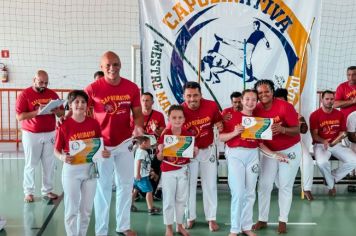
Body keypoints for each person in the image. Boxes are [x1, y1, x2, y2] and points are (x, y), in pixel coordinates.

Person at [84, 51, 144, 236]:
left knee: (126, 184)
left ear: (120, 65)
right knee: (102, 188)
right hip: (102, 146)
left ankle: (123, 225)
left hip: (125, 143)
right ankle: (101, 230)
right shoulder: (92, 89)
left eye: (116, 64)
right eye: (108, 65)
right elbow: (83, 115)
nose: (112, 68)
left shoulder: (132, 88)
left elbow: (138, 114)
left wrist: (139, 128)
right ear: (102, 67)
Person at [220, 89, 288, 236]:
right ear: (242, 101)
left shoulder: (259, 121)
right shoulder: (232, 116)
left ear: (256, 101)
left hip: (252, 155)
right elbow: (222, 138)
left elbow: (261, 145)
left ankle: (246, 227)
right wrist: (235, 132)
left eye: (253, 99)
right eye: (247, 99)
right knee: (238, 192)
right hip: (235, 154)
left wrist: (275, 155)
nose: (250, 102)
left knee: (250, 193)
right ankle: (234, 229)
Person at [54, 90, 110, 236]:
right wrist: (62, 158)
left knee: (86, 210)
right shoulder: (64, 125)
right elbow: (56, 150)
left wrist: (104, 152)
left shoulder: (94, 123)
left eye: (83, 102)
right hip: (71, 171)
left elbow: (99, 146)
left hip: (90, 170)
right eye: (76, 102)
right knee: (71, 209)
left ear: (87, 105)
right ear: (70, 105)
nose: (80, 104)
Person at [252, 80, 301, 234]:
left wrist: (282, 129)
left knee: (285, 185)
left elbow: (297, 130)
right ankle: (262, 218)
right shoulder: (256, 109)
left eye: (266, 91)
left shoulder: (285, 106)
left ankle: (283, 220)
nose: (263, 95)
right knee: (264, 185)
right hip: (269, 152)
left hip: (290, 149)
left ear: (272, 92)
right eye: (260, 93)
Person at [16, 70, 64, 203]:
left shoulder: (52, 94)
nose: (43, 85)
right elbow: (20, 116)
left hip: (49, 132)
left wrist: (57, 110)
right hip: (31, 134)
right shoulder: (24, 94)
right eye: (41, 82)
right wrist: (37, 112)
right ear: (34, 80)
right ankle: (29, 192)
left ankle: (47, 190)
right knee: (31, 163)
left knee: (49, 163)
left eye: (46, 83)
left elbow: (61, 114)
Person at [182, 81, 223, 231]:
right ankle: (190, 217)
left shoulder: (211, 106)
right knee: (188, 186)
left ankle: (211, 218)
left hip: (208, 150)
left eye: (195, 95)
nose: (192, 99)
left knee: (210, 185)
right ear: (183, 96)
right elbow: (174, 132)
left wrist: (220, 125)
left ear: (201, 95)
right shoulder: (180, 110)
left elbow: (219, 121)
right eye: (189, 96)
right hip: (189, 152)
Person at [157, 104, 198, 236]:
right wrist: (161, 151)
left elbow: (192, 154)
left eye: (180, 117)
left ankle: (179, 225)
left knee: (181, 199)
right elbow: (159, 157)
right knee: (168, 200)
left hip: (183, 170)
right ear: (169, 118)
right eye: (174, 117)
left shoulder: (188, 135)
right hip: (168, 170)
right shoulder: (165, 134)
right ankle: (168, 227)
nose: (177, 120)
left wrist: (195, 151)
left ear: (184, 119)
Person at [309, 90, 356, 196]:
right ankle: (331, 186)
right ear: (322, 100)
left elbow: (342, 132)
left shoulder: (339, 114)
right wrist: (323, 141)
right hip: (320, 145)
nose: (330, 101)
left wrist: (337, 139)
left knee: (354, 160)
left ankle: (332, 178)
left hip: (336, 144)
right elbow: (314, 135)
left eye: (332, 99)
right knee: (322, 163)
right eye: (327, 99)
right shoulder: (315, 115)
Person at [274, 88, 315, 200]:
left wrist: (302, 124)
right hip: (274, 144)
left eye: (282, 101)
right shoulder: (269, 112)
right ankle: (281, 187)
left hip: (294, 142)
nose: (280, 104)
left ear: (286, 101)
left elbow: (304, 129)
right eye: (277, 101)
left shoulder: (294, 112)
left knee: (307, 161)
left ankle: (306, 188)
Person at [131, 136, 161, 215]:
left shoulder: (140, 150)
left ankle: (129, 205)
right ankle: (150, 208)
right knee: (149, 191)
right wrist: (138, 174)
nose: (150, 144)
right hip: (142, 176)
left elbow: (144, 163)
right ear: (144, 143)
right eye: (148, 143)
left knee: (135, 190)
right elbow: (138, 163)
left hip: (138, 176)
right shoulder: (142, 152)